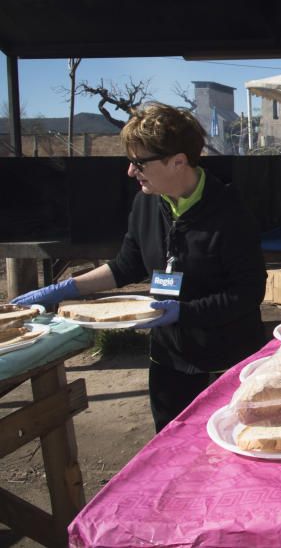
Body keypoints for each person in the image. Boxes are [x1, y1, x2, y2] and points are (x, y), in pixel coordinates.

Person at [13, 103, 267, 432]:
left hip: (224, 360)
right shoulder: (147, 202)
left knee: (228, 443)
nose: (131, 172)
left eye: (139, 162)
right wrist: (65, 288)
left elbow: (247, 294)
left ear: (178, 161)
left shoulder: (230, 215)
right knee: (169, 442)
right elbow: (126, 265)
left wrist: (184, 312)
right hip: (168, 358)